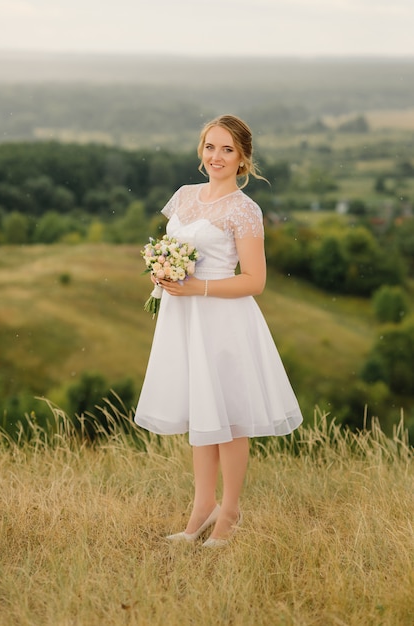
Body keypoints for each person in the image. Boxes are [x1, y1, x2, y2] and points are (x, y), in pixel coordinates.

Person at [135, 114, 303, 547]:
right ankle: (201, 508)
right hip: (183, 317)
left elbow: (255, 281)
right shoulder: (184, 197)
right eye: (211, 147)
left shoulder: (245, 211)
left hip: (223, 318)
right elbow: (175, 249)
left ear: (243, 158)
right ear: (201, 151)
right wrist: (163, 273)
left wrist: (197, 286)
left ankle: (229, 512)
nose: (217, 156)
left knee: (228, 418)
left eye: (227, 149)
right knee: (200, 412)